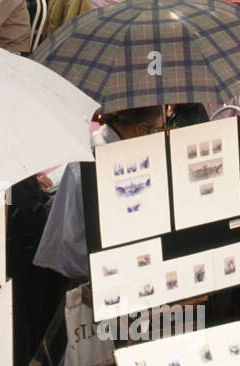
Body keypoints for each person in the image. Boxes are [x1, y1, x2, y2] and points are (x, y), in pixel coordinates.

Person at [34, 106, 166, 280]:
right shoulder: (96, 160)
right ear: (140, 128)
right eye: (157, 130)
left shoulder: (109, 146)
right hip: (86, 268)